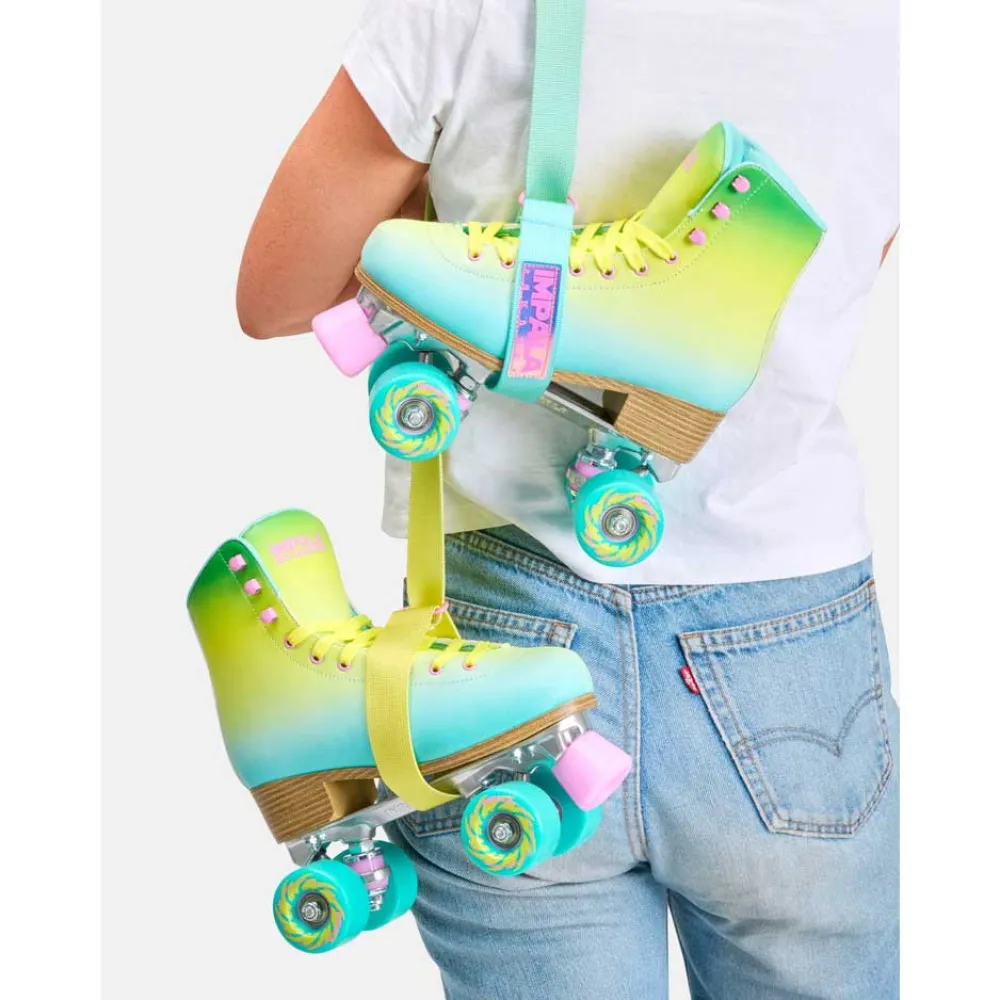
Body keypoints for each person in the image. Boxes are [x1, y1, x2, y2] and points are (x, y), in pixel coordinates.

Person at [236, 1, 899, 997]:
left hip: (501, 635)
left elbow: (278, 291)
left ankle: (579, 303)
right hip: (795, 647)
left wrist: (431, 198)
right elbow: (852, 262)